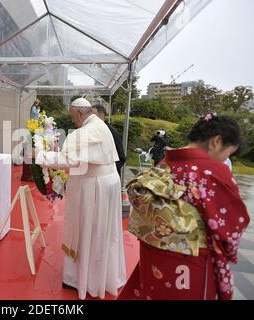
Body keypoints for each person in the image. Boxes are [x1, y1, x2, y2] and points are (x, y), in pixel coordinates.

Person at [121, 114, 250, 300]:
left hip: (152, 253)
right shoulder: (213, 172)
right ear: (217, 141)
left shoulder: (164, 164)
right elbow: (231, 227)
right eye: (227, 153)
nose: (224, 160)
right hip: (190, 262)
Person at [36, 97, 126, 300]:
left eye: (72, 115)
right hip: (107, 184)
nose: (72, 119)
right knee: (102, 234)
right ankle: (101, 277)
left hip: (93, 189)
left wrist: (40, 156)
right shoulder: (99, 125)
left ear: (79, 112)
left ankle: (83, 280)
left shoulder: (85, 132)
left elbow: (69, 160)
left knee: (88, 232)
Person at [92, 104, 126, 177]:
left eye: (93, 115)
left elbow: (121, 157)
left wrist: (109, 171)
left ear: (102, 114)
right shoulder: (95, 131)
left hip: (110, 177)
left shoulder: (112, 132)